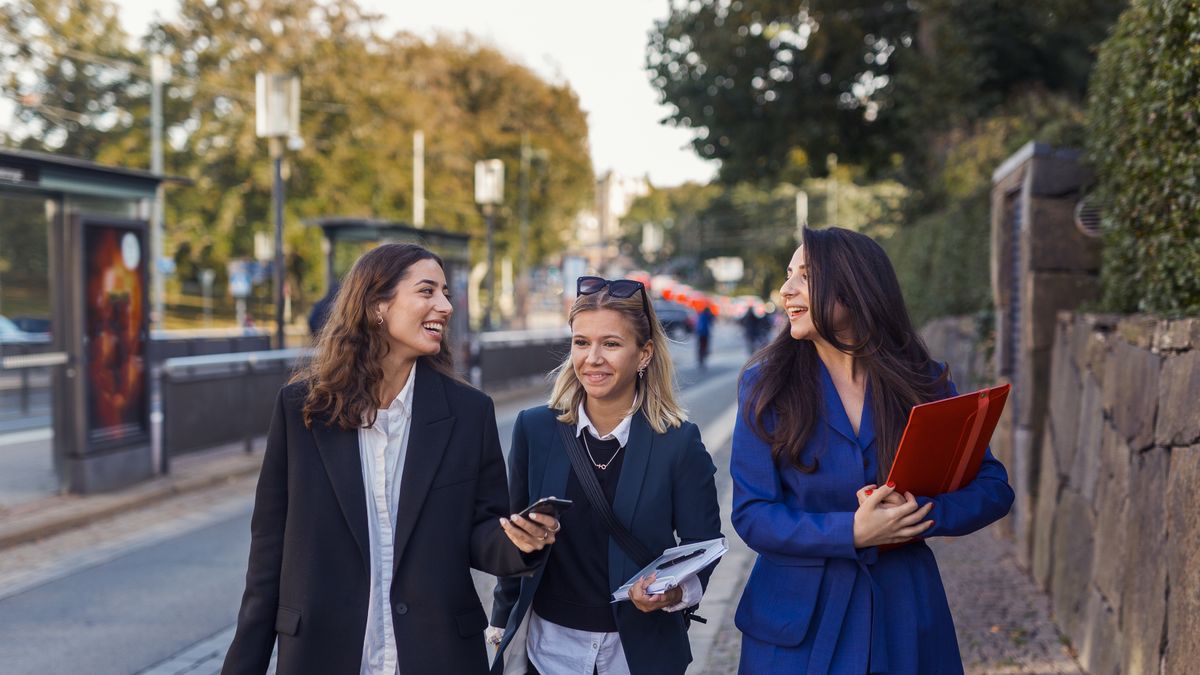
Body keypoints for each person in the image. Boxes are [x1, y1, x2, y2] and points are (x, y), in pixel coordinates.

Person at [222, 243, 558, 675]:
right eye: (427, 291)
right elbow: (269, 555)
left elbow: (482, 533)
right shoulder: (302, 411)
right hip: (323, 656)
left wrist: (520, 542)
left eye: (445, 293)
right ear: (378, 304)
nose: (445, 305)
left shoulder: (470, 412)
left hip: (438, 657)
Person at [730, 227, 1014, 674]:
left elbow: (994, 488)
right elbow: (753, 514)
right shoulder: (764, 387)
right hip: (796, 629)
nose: (787, 289)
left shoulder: (924, 382)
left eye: (805, 275)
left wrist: (917, 513)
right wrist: (852, 532)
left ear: (855, 285)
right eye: (789, 275)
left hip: (901, 617)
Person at [488, 275, 723, 675]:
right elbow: (515, 539)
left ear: (644, 353)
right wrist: (500, 623)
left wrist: (670, 592)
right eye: (582, 342)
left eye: (610, 344)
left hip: (638, 655)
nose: (592, 358)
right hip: (548, 652)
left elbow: (704, 545)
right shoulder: (535, 429)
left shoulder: (679, 442)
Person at [695, 303, 714, 368]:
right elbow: (710, 321)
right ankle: (702, 358)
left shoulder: (701, 315)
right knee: (704, 346)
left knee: (701, 346)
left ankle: (701, 358)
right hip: (704, 333)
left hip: (700, 333)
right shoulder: (706, 316)